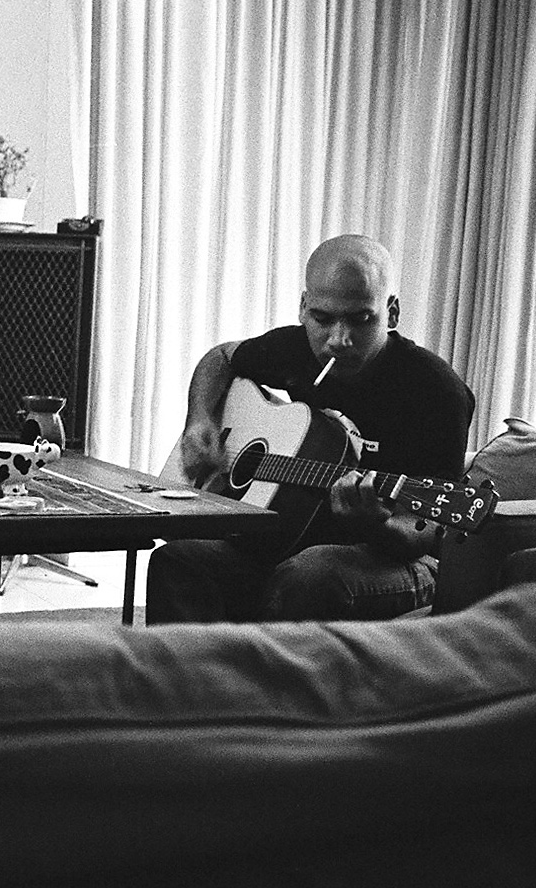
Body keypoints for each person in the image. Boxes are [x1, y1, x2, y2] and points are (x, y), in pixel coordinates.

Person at [146, 234, 475, 623]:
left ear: (392, 312)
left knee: (308, 575)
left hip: (399, 560)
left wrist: (377, 524)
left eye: (361, 319)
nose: (339, 339)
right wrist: (199, 420)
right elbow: (221, 357)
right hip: (291, 538)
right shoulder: (296, 349)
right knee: (178, 559)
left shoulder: (436, 391)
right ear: (304, 307)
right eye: (322, 319)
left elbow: (428, 532)